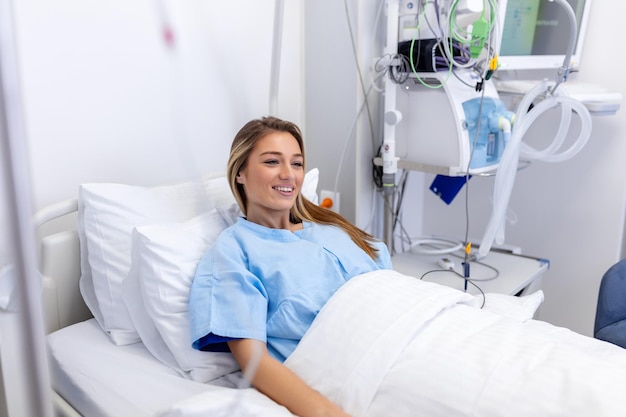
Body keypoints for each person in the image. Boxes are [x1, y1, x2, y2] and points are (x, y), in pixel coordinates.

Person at [189, 116, 391, 417]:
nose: (289, 175)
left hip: (411, 335)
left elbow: (393, 287)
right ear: (240, 172)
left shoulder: (331, 228)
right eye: (272, 162)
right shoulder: (234, 252)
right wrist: (327, 413)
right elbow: (254, 363)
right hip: (369, 370)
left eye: (296, 164)